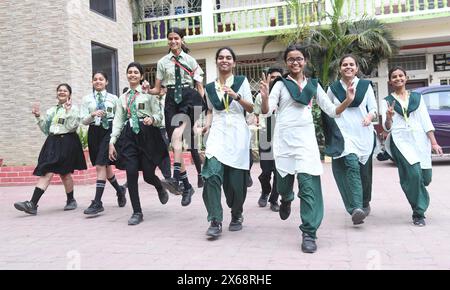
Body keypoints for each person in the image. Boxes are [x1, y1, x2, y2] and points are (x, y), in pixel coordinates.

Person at [260, 44, 354, 253]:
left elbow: (331, 110)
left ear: (305, 61)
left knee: (309, 187)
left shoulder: (313, 85)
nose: (295, 62)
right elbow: (267, 113)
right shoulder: (280, 85)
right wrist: (265, 98)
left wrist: (347, 100)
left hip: (305, 142)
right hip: (284, 141)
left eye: (299, 58)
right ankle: (286, 199)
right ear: (286, 62)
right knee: (284, 184)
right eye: (291, 59)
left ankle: (309, 232)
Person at [147, 27, 205, 206]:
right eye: (170, 38)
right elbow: (157, 90)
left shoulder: (191, 61)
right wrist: (147, 90)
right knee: (175, 142)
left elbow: (199, 87)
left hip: (188, 98)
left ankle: (175, 177)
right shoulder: (162, 62)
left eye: (176, 38)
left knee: (178, 136)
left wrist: (199, 110)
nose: (173, 41)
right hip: (171, 100)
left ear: (182, 40)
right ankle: (186, 185)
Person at [201, 47, 254, 238]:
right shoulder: (209, 87)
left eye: (228, 57)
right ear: (216, 61)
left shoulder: (241, 82)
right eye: (221, 57)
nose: (225, 60)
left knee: (236, 183)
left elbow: (252, 107)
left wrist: (236, 96)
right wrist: (206, 126)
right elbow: (209, 110)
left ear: (234, 62)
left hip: (238, 134)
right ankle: (215, 220)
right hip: (217, 134)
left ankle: (237, 213)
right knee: (211, 175)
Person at [109, 62, 170, 225]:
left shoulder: (149, 94)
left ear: (141, 76)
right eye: (130, 72)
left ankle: (159, 186)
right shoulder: (123, 98)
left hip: (148, 134)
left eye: (136, 72)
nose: (133, 74)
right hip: (129, 135)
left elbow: (159, 115)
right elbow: (118, 120)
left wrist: (153, 119)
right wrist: (112, 141)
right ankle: (137, 212)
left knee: (149, 175)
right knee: (131, 172)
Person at [381, 66, 443, 226]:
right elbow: (387, 127)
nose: (398, 78)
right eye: (394, 76)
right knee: (414, 174)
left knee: (425, 178)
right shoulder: (387, 101)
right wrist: (388, 117)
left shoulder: (417, 98)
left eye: (401, 75)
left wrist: (434, 142)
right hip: (400, 140)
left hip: (420, 139)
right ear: (390, 81)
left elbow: (425, 120)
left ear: (406, 78)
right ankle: (419, 212)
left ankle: (412, 187)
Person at [14, 84, 87, 215]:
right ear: (56, 93)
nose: (62, 92)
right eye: (59, 90)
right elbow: (46, 129)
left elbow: (71, 127)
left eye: (65, 91)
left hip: (67, 141)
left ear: (69, 94)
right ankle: (34, 204)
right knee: (48, 171)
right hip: (52, 142)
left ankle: (69, 200)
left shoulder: (74, 109)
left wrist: (68, 112)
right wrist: (38, 116)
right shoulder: (51, 110)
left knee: (64, 173)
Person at [325, 55, 377, 225]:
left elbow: (373, 108)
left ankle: (364, 201)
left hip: (364, 134)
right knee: (351, 166)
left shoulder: (365, 86)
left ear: (357, 68)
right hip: (344, 135)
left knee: (365, 173)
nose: (348, 67)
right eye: (345, 65)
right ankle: (356, 209)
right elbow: (328, 111)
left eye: (351, 64)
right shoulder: (333, 89)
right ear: (340, 68)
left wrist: (370, 117)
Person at [80, 72, 127, 215]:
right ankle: (120, 190)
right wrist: (92, 115)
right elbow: (83, 120)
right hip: (94, 132)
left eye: (101, 79)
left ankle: (97, 202)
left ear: (106, 82)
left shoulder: (113, 98)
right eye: (95, 79)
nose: (98, 81)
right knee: (104, 167)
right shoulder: (87, 99)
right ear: (92, 82)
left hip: (109, 130)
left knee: (100, 164)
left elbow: (120, 116)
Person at [254, 66, 283, 212]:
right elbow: (256, 114)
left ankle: (274, 199)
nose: (275, 79)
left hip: (281, 137)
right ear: (268, 78)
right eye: (272, 77)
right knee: (266, 171)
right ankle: (265, 190)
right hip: (266, 136)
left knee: (279, 171)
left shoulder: (285, 94)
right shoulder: (260, 96)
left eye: (278, 77)